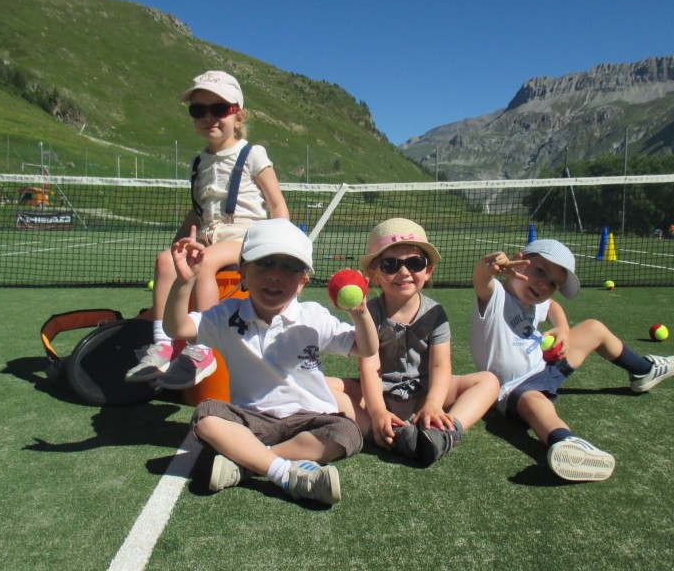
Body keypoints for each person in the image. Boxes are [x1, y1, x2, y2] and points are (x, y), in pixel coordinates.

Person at [163, 218, 379, 505]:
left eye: (290, 267)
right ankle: (284, 472)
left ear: (302, 282)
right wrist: (184, 282)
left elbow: (366, 347)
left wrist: (360, 313)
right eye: (265, 263)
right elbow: (177, 329)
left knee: (346, 431)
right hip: (253, 420)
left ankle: (249, 463)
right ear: (243, 273)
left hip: (310, 419)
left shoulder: (313, 316)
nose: (275, 275)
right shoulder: (226, 315)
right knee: (206, 416)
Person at [469, 238, 674, 482]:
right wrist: (493, 264)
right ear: (519, 262)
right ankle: (566, 442)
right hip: (515, 388)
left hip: (545, 366)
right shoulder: (495, 295)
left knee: (594, 328)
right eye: (539, 270)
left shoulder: (536, 301)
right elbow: (482, 277)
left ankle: (644, 370)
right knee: (537, 404)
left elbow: (551, 306)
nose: (543, 285)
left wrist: (563, 328)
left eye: (553, 283)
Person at [126, 70, 289, 390]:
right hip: (207, 233)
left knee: (205, 263)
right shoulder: (198, 162)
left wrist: (278, 248)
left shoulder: (252, 154)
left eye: (219, 109)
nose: (209, 117)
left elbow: (277, 204)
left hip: (246, 233)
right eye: (198, 110)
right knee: (165, 261)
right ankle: (164, 343)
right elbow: (197, 211)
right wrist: (176, 249)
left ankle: (203, 347)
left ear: (238, 116)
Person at [327, 218, 500, 466]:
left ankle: (446, 433)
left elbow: (440, 366)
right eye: (390, 264)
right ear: (374, 274)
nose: (404, 272)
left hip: (426, 391)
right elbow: (370, 367)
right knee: (323, 385)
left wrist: (432, 404)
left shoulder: (435, 313)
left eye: (415, 263)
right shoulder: (370, 313)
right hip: (380, 394)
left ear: (428, 270)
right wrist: (377, 412)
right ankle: (384, 434)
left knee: (489, 380)